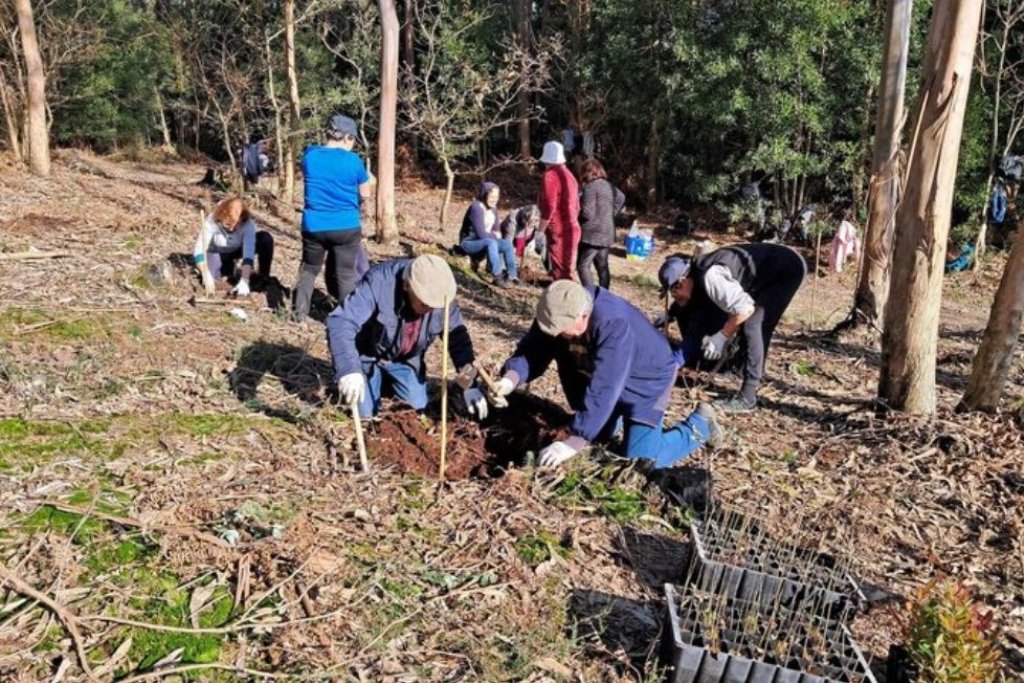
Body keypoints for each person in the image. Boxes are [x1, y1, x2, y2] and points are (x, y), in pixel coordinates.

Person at [487, 281, 721, 470]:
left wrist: (575, 440)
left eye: (563, 330)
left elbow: (606, 385)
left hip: (647, 381)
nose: (558, 335)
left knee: (641, 462)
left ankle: (700, 426)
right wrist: (510, 379)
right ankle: (612, 419)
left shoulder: (613, 324)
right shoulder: (556, 309)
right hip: (606, 380)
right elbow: (534, 349)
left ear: (583, 315)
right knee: (599, 432)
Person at [326, 254, 489, 421]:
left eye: (435, 305)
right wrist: (349, 369)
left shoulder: (442, 292)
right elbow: (342, 321)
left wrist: (471, 383)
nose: (431, 309)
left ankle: (387, 384)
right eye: (425, 303)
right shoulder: (379, 282)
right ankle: (373, 382)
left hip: (406, 361)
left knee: (417, 414)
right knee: (364, 417)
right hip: (366, 357)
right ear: (406, 285)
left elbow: (457, 338)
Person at [658, 243, 806, 413]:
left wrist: (722, 336)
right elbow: (694, 311)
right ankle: (739, 369)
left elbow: (745, 310)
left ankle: (747, 397)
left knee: (754, 324)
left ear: (681, 283)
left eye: (673, 292)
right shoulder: (695, 277)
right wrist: (671, 315)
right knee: (746, 317)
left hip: (785, 268)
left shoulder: (712, 278)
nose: (673, 297)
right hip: (763, 271)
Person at [293, 114, 373, 322]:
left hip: (314, 225)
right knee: (345, 274)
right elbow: (365, 194)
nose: (353, 145)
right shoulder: (353, 161)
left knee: (309, 269)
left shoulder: (310, 156)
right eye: (353, 140)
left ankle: (298, 315)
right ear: (346, 137)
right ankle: (348, 321)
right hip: (346, 226)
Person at [193, 196, 274, 297]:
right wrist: (205, 272)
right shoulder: (212, 219)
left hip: (238, 249)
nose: (231, 229)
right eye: (227, 225)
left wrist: (245, 279)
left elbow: (248, 253)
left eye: (236, 225)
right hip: (217, 251)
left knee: (265, 238)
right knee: (212, 278)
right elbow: (199, 249)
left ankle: (263, 278)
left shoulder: (248, 223)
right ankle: (227, 270)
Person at [459, 181, 518, 287]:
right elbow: (481, 234)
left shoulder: (494, 209)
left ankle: (512, 276)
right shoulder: (476, 207)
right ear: (484, 194)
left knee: (507, 244)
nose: (494, 199)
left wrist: (494, 235)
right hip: (469, 243)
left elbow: (498, 231)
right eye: (491, 196)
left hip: (486, 241)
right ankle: (497, 276)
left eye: (497, 196)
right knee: (491, 242)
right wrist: (494, 235)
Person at [537, 141, 581, 281]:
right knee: (568, 270)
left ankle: (562, 301)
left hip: (559, 230)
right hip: (573, 228)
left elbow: (549, 206)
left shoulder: (550, 176)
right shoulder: (570, 176)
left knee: (561, 273)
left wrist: (540, 231)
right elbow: (577, 206)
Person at [576, 158, 621, 289]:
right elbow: (621, 197)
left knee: (583, 265)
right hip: (607, 231)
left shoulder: (590, 187)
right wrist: (610, 213)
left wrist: (576, 217)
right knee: (602, 266)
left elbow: (587, 213)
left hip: (593, 233)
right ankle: (604, 296)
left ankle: (590, 296)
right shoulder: (609, 185)